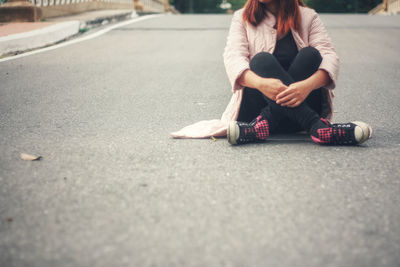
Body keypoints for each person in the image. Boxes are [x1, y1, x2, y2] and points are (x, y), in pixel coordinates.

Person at [171, 0, 372, 146]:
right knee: (260, 60)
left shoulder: (308, 17)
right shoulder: (242, 18)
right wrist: (260, 83)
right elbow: (233, 57)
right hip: (256, 110)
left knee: (311, 55)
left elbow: (330, 56)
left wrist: (306, 86)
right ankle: (317, 127)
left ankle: (264, 125)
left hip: (296, 109)